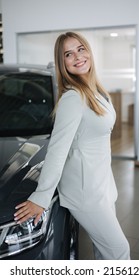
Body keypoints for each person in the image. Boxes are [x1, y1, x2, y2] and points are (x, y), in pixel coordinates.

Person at [14, 31, 130, 260]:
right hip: (86, 193)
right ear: (62, 62)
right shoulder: (73, 98)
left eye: (81, 49)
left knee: (104, 252)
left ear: (89, 51)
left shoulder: (95, 91)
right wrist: (41, 196)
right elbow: (57, 150)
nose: (77, 56)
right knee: (119, 251)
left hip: (102, 187)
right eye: (68, 54)